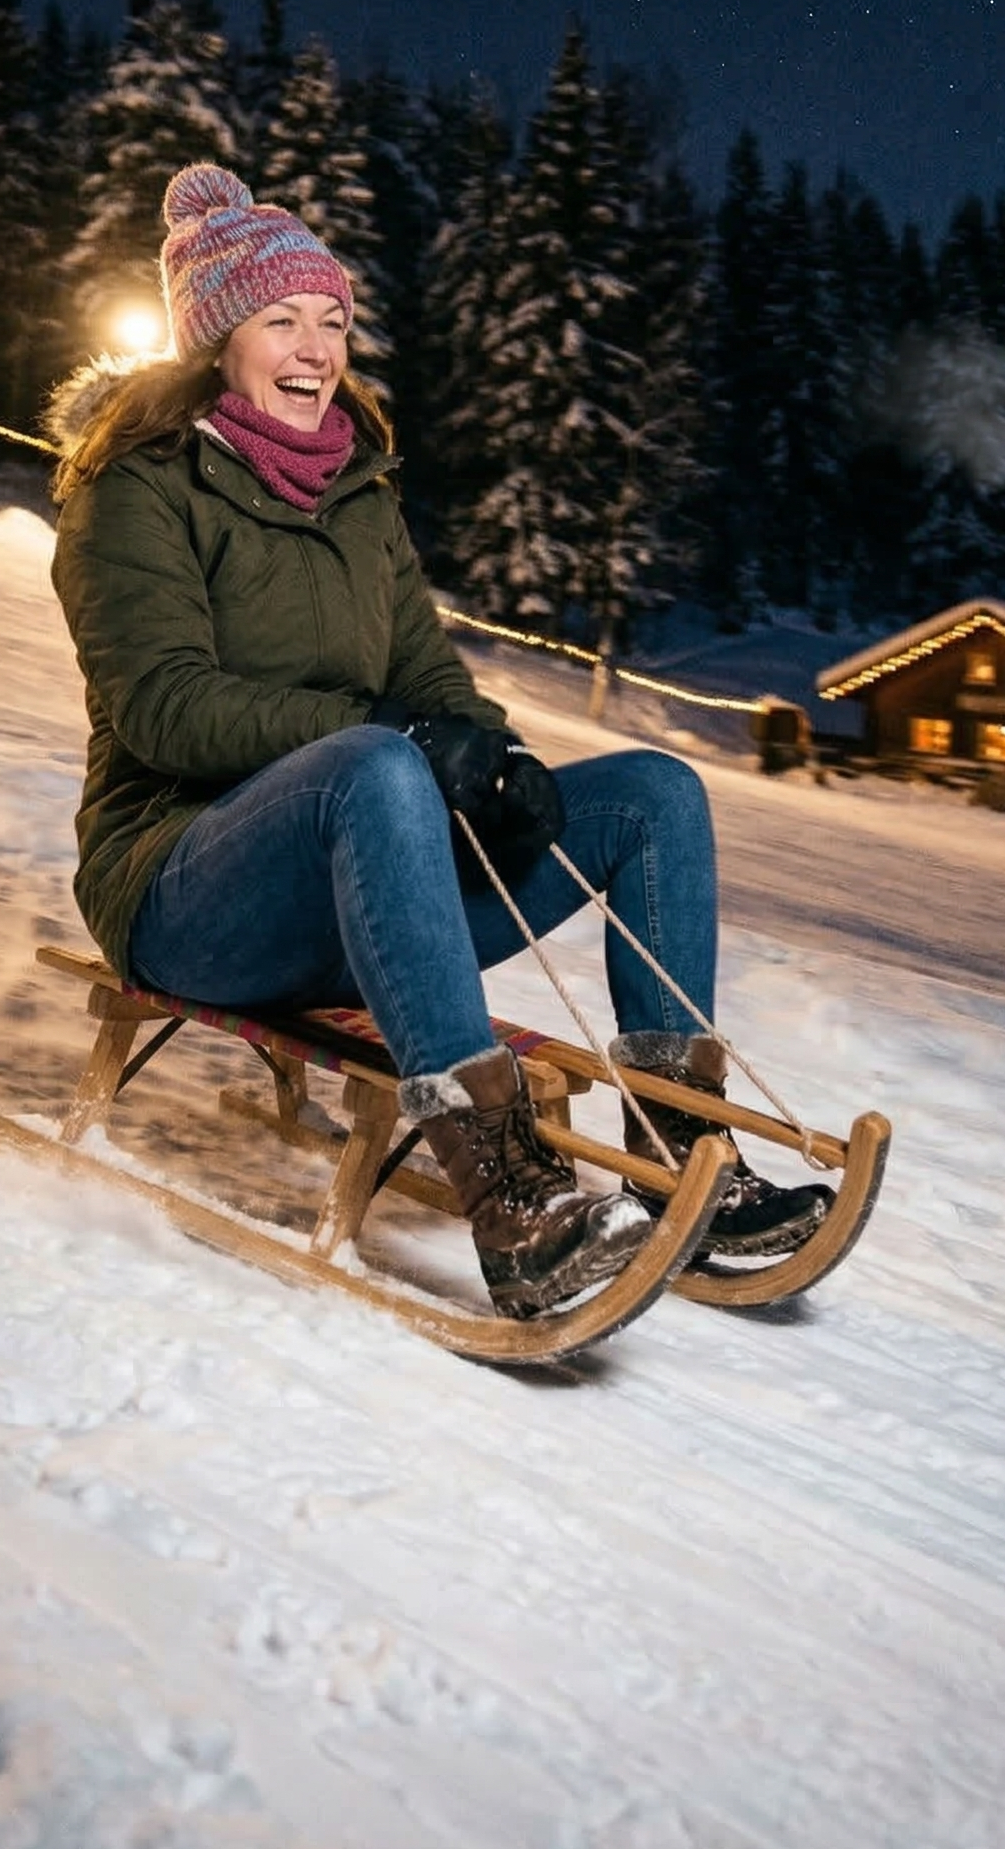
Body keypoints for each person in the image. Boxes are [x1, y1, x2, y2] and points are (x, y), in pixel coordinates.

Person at [49, 164, 830, 1319]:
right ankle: (510, 1195)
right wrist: (393, 738)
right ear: (217, 336)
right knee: (373, 759)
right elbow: (167, 708)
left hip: (369, 886)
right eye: (281, 321)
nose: (315, 350)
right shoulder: (139, 490)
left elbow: (425, 673)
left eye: (332, 321)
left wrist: (495, 759)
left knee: (655, 795)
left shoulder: (359, 492)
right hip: (187, 889)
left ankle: (682, 1154)